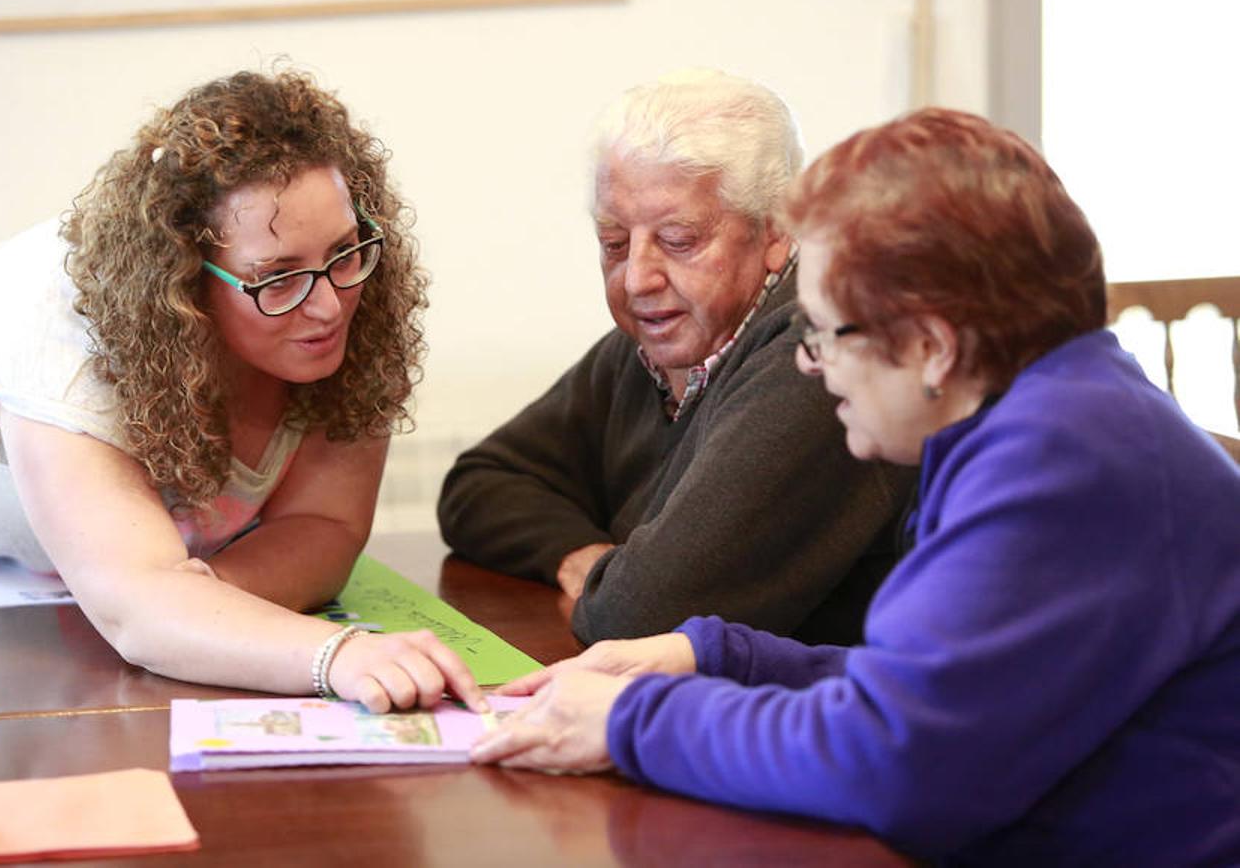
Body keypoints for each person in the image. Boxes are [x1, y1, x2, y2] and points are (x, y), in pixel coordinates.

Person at [470, 108, 1240, 865]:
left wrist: (633, 720)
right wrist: (711, 655)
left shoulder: (1064, 465)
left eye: (827, 332)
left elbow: (897, 764)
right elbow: (928, 690)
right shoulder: (1040, 420)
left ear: (934, 349)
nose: (808, 364)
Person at [0, 69, 484, 714]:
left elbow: (325, 524)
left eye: (345, 253)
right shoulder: (45, 328)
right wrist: (335, 655)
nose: (329, 307)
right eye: (276, 279)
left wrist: (201, 600)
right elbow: (136, 614)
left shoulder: (351, 293)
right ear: (181, 283)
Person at [437, 69, 914, 645]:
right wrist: (579, 556)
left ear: (777, 231)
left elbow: (644, 614)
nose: (637, 278)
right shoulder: (655, 339)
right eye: (614, 243)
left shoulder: (818, 358)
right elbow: (479, 485)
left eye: (679, 240)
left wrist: (618, 583)